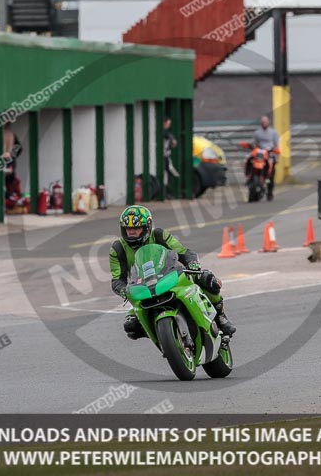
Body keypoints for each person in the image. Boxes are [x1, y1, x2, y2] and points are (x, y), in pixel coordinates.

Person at [109, 205, 236, 340]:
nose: (132, 232)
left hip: (168, 276)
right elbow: (116, 279)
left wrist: (192, 263)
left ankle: (221, 317)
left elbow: (184, 252)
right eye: (128, 229)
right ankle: (162, 336)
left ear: (147, 227)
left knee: (208, 278)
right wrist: (123, 290)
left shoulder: (159, 235)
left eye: (136, 228)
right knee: (131, 326)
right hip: (142, 288)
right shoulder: (118, 248)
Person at [253, 115, 280, 199]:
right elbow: (255, 144)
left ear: (268, 122)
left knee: (271, 175)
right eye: (262, 122)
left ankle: (270, 192)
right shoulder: (257, 133)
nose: (264, 123)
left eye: (265, 121)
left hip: (270, 155)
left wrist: (277, 157)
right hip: (260, 156)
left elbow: (276, 145)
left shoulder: (274, 133)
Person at [163, 117, 178, 198]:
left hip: (166, 156)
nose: (168, 126)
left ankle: (167, 191)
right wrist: (172, 140)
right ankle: (165, 192)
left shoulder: (168, 133)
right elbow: (166, 135)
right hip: (163, 156)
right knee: (165, 173)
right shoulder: (164, 133)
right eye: (168, 124)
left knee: (169, 173)